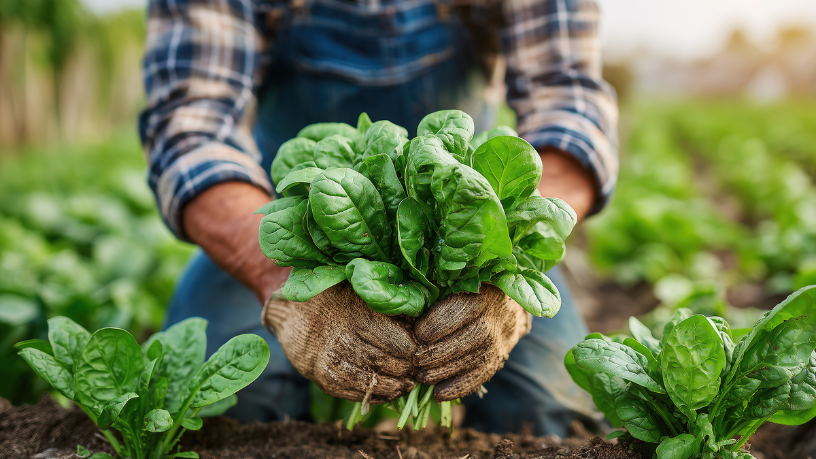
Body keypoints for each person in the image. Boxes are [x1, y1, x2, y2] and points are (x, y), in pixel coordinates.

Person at [139, 0, 618, 437]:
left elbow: (569, 107)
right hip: (290, 220)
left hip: (468, 216)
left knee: (548, 409)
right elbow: (191, 130)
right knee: (222, 409)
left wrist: (502, 262)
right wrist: (279, 279)